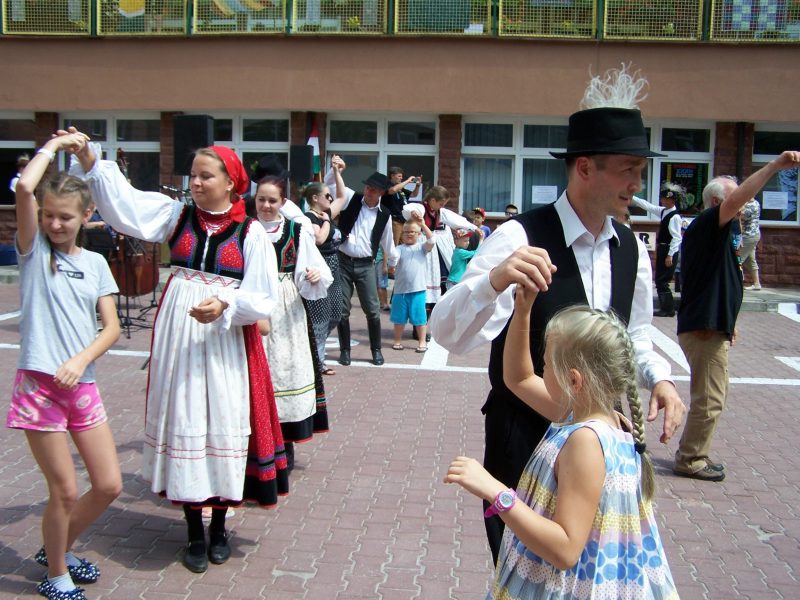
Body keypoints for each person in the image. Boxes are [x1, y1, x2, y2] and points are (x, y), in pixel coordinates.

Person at [430, 64, 686, 563]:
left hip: (597, 445)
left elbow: (634, 335)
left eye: (640, 170)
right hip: (523, 439)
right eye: (628, 169)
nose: (637, 183)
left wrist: (660, 379)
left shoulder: (631, 248)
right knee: (522, 572)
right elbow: (447, 333)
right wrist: (492, 280)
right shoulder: (519, 236)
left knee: (588, 569)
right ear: (585, 168)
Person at [68, 130, 288, 574]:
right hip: (180, 338)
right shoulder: (176, 216)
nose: (196, 183)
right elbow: (126, 206)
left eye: (206, 176)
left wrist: (225, 304)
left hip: (224, 339)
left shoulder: (250, 233)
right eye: (193, 176)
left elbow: (263, 297)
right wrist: (90, 160)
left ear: (231, 182)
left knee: (222, 420)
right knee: (185, 416)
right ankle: (193, 531)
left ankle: (219, 527)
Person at [445, 301, 678, 598]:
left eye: (545, 364)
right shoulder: (588, 416)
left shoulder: (585, 442)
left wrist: (496, 491)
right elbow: (518, 378)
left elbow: (565, 549)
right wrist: (523, 310)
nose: (540, 369)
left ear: (573, 380)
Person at [7, 133, 122, 600]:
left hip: (82, 385)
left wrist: (81, 359)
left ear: (86, 215)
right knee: (65, 490)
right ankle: (56, 572)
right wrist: (53, 149)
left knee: (108, 485)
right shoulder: (34, 252)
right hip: (39, 389)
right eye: (49, 215)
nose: (55, 223)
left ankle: (57, 547)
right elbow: (23, 188)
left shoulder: (95, 263)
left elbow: (111, 328)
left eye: (65, 216)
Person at [674, 151, 800, 482]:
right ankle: (691, 458)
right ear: (718, 202)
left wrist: (729, 323)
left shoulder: (717, 233)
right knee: (710, 398)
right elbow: (738, 199)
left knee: (712, 395)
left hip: (711, 326)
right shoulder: (708, 223)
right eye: (738, 200)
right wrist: (775, 166)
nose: (744, 207)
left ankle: (694, 453)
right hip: (703, 328)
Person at [254, 174, 333, 472]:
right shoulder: (245, 229)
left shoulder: (295, 231)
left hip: (286, 310)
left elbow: (315, 270)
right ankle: (256, 444)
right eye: (261, 199)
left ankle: (284, 444)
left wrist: (313, 275)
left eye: (272, 200)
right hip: (253, 305)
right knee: (256, 371)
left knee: (285, 371)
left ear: (283, 202)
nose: (266, 205)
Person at [324, 156, 398, 366]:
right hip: (343, 261)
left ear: (381, 192)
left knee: (373, 310)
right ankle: (345, 351)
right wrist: (336, 170)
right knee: (343, 310)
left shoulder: (385, 214)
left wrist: (393, 262)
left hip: (366, 265)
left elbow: (388, 241)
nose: (368, 191)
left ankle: (376, 350)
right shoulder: (350, 198)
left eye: (373, 189)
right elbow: (329, 185)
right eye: (367, 187)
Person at [302, 165, 347, 376]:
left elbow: (342, 196)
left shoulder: (325, 212)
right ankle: (317, 362)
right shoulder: (308, 218)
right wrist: (327, 221)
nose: (331, 199)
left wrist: (337, 172)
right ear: (314, 198)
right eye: (327, 196)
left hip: (334, 266)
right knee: (320, 317)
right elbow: (319, 239)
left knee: (336, 314)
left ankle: (311, 347)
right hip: (319, 268)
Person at [631, 182, 684, 317]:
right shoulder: (664, 211)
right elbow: (648, 206)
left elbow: (677, 238)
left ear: (672, 201)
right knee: (660, 280)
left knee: (663, 281)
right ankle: (666, 308)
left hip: (669, 250)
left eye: (666, 199)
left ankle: (668, 309)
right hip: (663, 249)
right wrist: (632, 197)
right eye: (663, 198)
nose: (663, 200)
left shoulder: (675, 217)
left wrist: (670, 255)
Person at [390, 212, 435, 352]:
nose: (409, 234)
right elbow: (393, 259)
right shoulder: (399, 249)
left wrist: (423, 224)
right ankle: (397, 341)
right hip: (400, 291)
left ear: (419, 234)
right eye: (406, 232)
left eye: (412, 232)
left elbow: (432, 241)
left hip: (418, 290)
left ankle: (422, 342)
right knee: (399, 319)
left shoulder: (421, 248)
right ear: (402, 234)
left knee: (420, 319)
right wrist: (391, 264)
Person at [382, 166, 422, 244]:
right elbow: (393, 190)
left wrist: (417, 185)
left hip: (403, 221)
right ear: (392, 176)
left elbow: (414, 194)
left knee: (403, 245)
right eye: (399, 176)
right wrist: (408, 181)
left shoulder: (401, 189)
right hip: (394, 221)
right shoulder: (387, 185)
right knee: (393, 245)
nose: (401, 178)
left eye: (401, 176)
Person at [740, 198, 762, 290]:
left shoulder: (751, 206)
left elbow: (741, 216)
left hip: (748, 237)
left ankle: (735, 284)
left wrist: (741, 205)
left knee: (737, 260)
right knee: (750, 260)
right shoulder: (756, 203)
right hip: (753, 235)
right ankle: (757, 284)